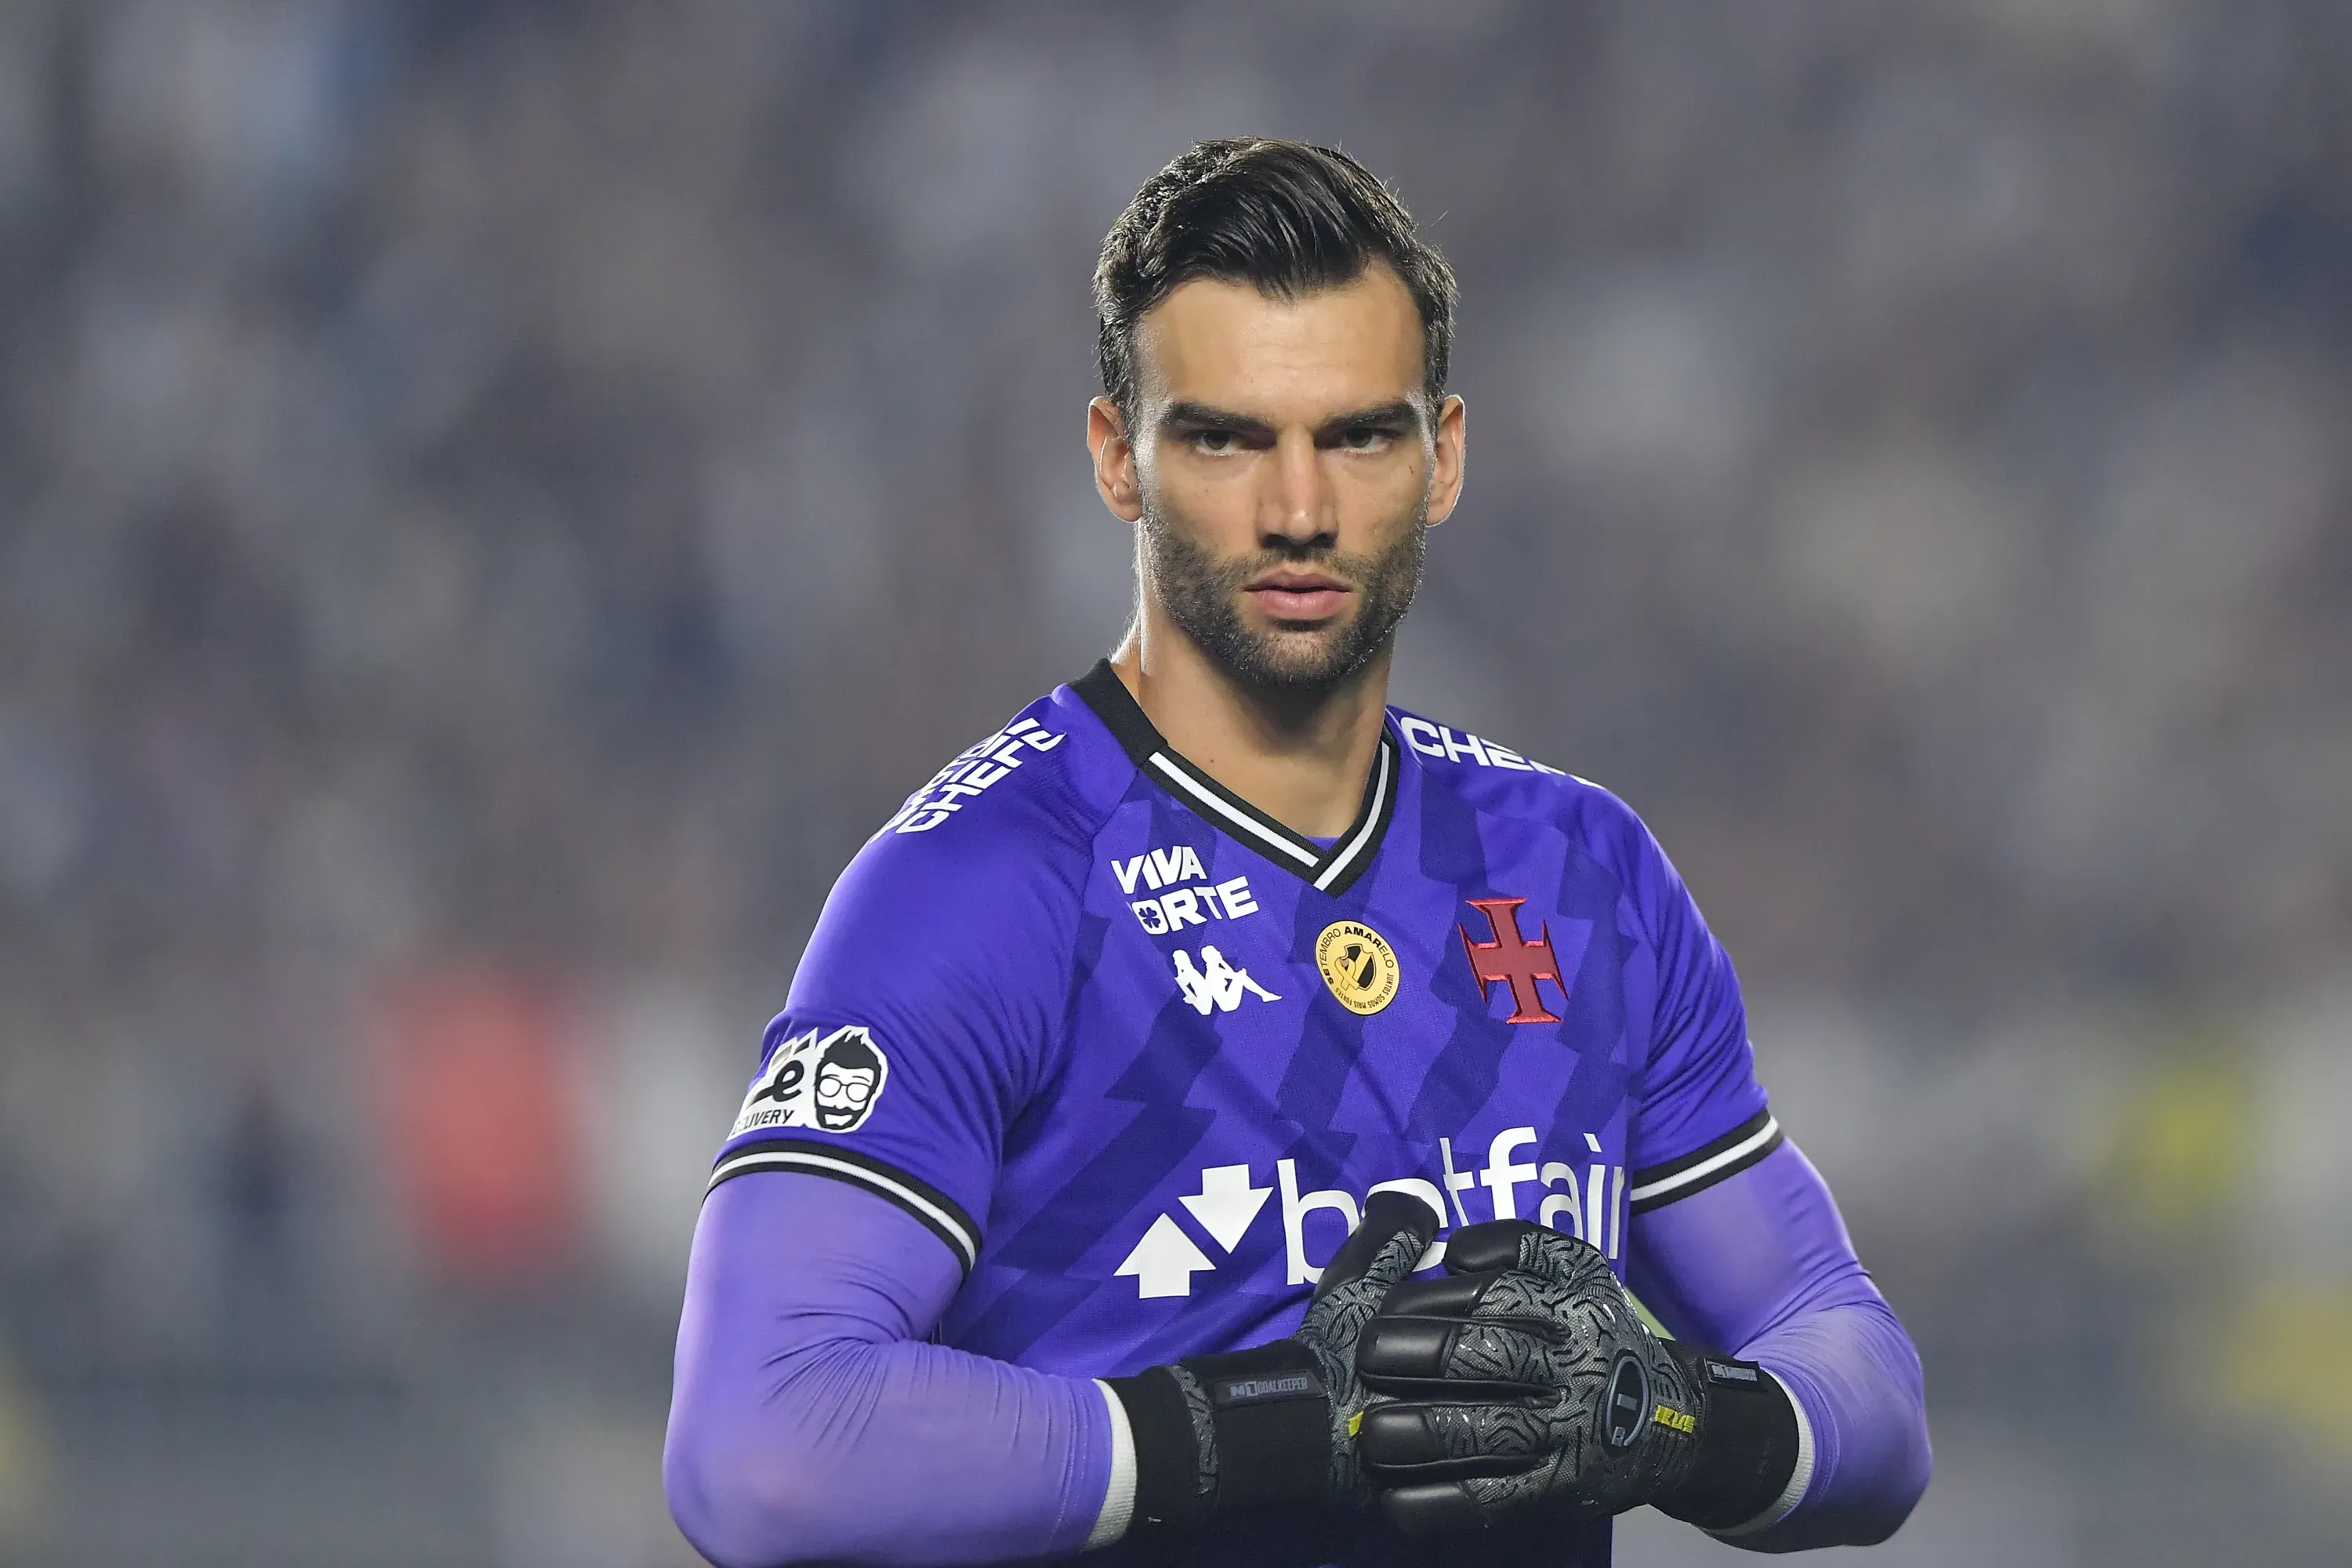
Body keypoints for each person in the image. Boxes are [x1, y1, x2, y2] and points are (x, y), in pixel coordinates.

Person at [663, 138, 1929, 1568]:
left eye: (1359, 435)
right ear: (1115, 458)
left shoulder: (1580, 875)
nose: (1300, 509)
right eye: (1224, 437)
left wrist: (1676, 1419)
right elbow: (758, 1450)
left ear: (1444, 455)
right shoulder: (985, 885)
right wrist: (1267, 1428)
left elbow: (1865, 1384)